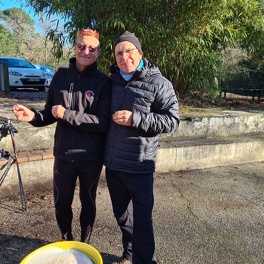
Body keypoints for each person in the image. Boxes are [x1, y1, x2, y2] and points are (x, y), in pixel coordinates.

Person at [12, 28, 111, 244]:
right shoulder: (60, 77)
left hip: (91, 157)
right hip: (64, 155)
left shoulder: (103, 82)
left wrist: (67, 114)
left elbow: (103, 122)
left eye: (91, 48)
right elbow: (50, 113)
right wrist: (33, 116)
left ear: (98, 53)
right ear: (75, 48)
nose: (86, 51)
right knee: (61, 202)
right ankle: (66, 239)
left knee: (88, 202)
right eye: (81, 46)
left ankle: (85, 244)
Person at [103, 31, 180, 264]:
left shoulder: (159, 84)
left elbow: (172, 121)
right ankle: (129, 253)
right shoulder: (111, 81)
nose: (124, 56)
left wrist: (136, 119)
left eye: (129, 51)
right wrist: (64, 72)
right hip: (114, 165)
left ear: (140, 53)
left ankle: (144, 260)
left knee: (143, 222)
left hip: (139, 166)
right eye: (119, 52)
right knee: (123, 216)